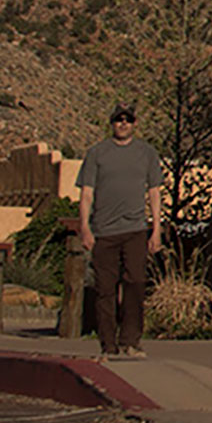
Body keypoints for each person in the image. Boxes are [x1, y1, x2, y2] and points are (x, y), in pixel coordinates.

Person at [78, 103, 163, 360]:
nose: (123, 123)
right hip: (104, 231)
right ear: (112, 123)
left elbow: (154, 192)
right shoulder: (97, 154)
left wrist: (156, 228)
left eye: (127, 119)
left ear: (135, 123)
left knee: (136, 283)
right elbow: (86, 193)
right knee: (105, 289)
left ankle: (131, 340)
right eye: (118, 120)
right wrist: (85, 227)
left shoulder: (146, 153)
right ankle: (108, 343)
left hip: (135, 229)